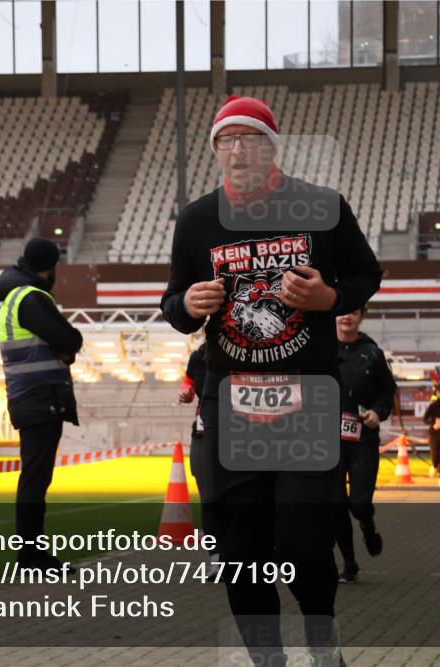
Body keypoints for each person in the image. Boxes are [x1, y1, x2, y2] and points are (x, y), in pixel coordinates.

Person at [160, 95, 382, 667]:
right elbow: (172, 301)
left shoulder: (322, 206)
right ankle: (267, 658)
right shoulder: (197, 220)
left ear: (270, 146)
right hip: (229, 401)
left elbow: (366, 273)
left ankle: (320, 633)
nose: (236, 150)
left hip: (306, 400)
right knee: (240, 550)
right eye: (224, 141)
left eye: (248, 138)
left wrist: (329, 297)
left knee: (304, 545)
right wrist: (187, 301)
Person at [0, 238, 83, 569]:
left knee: (35, 477)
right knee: (35, 479)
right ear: (50, 266)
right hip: (40, 395)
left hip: (29, 395)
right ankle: (31, 555)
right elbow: (70, 339)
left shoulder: (15, 296)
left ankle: (30, 553)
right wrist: (69, 346)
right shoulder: (32, 297)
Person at [334, 306, 396, 584]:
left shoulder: (373, 354)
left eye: (354, 312)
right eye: (342, 311)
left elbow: (387, 392)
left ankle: (367, 524)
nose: (347, 316)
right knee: (335, 506)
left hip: (363, 440)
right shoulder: (319, 351)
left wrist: (377, 412)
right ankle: (349, 563)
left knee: (358, 504)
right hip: (326, 443)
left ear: (361, 317)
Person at [178, 342, 221, 574]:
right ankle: (216, 557)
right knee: (209, 495)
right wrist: (185, 394)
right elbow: (188, 384)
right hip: (204, 433)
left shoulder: (243, 352)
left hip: (239, 433)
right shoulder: (197, 357)